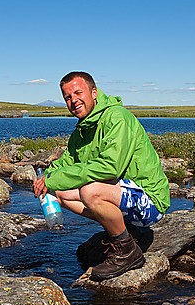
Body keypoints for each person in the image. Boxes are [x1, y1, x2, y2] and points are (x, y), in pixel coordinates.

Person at [33, 71, 170, 281]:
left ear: (94, 92)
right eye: (68, 97)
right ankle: (119, 230)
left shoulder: (117, 118)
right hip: (122, 196)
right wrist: (46, 179)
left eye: (78, 93)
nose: (73, 101)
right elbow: (67, 161)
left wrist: (52, 179)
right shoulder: (83, 128)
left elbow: (110, 168)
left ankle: (127, 251)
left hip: (150, 200)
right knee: (57, 192)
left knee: (91, 191)